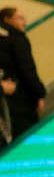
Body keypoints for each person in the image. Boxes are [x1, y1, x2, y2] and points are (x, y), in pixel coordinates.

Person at [0, 10, 46, 139]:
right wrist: (39, 94)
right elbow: (28, 71)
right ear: (7, 19)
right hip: (21, 99)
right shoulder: (17, 39)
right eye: (20, 18)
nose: (25, 22)